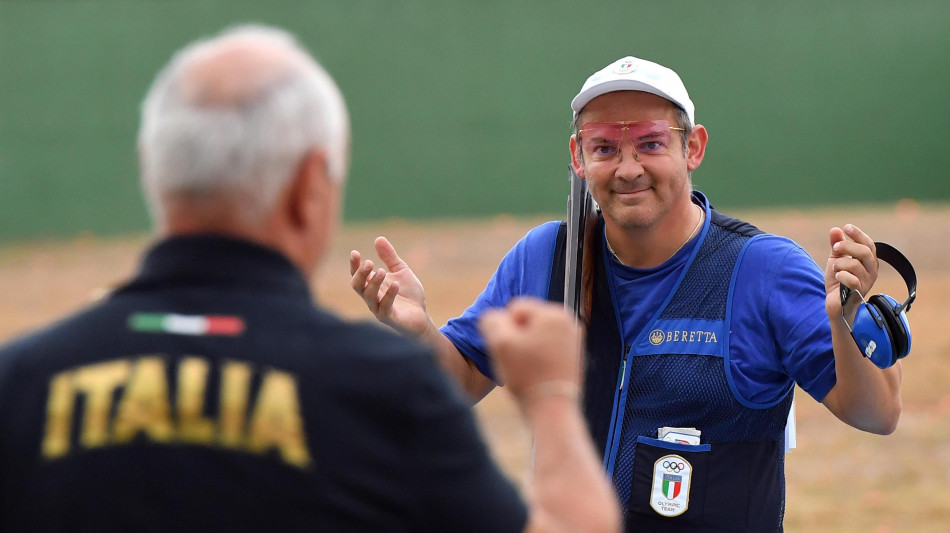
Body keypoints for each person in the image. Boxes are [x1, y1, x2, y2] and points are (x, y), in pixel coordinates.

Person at [0, 25, 621, 533]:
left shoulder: (19, 384)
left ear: (154, 171)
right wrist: (552, 398)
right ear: (309, 189)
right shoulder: (383, 394)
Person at [350, 55, 903, 531]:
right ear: (577, 156)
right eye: (605, 147)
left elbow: (876, 412)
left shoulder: (763, 269)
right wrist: (419, 329)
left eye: (650, 142)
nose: (628, 167)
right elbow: (462, 377)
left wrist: (843, 318)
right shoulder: (547, 258)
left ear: (694, 148)